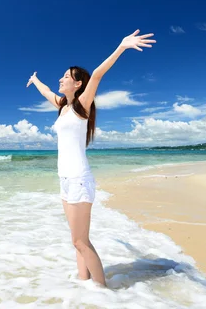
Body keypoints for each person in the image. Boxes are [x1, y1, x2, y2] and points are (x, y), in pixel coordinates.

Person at [26, 29, 156, 287]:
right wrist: (35, 80)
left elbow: (97, 75)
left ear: (78, 84)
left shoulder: (82, 105)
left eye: (67, 77)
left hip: (79, 179)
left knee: (80, 241)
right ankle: (84, 285)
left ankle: (104, 293)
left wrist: (121, 46)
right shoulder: (63, 106)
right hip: (65, 179)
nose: (61, 79)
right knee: (76, 240)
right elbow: (46, 92)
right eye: (62, 76)